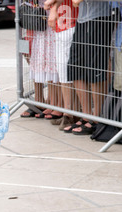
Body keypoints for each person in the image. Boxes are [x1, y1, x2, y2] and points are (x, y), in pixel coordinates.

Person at [63, 0, 115, 135]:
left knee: (95, 68)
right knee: (75, 66)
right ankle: (86, 115)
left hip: (99, 18)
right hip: (82, 19)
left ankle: (97, 117)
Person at [47, 0, 80, 129]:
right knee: (62, 70)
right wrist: (54, 8)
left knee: (70, 71)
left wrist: (53, 7)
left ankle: (71, 112)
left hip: (71, 23)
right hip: (62, 25)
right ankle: (69, 111)